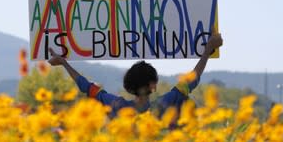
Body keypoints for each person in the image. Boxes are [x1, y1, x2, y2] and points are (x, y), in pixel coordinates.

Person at [48, 32, 223, 117]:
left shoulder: (117, 106)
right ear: (152, 86)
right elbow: (194, 78)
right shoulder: (167, 102)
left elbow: (87, 87)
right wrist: (207, 49)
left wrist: (64, 63)